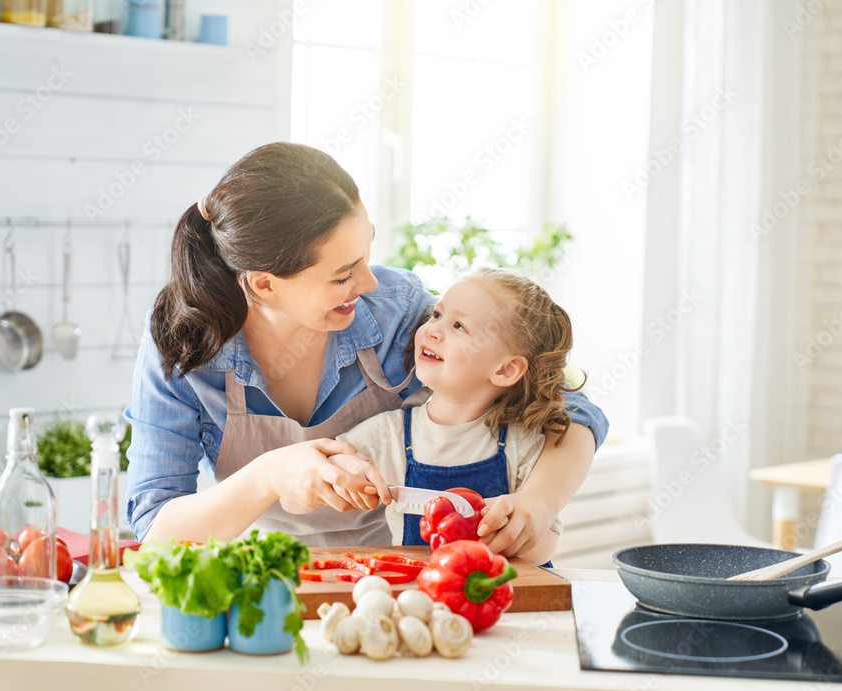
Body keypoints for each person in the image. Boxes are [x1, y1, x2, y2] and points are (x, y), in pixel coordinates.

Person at [124, 142, 608, 551]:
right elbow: (155, 535)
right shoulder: (182, 345)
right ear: (265, 285)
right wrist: (267, 476)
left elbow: (568, 407)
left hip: (392, 580)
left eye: (365, 253)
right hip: (266, 579)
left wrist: (540, 505)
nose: (369, 281)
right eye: (342, 274)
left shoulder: (397, 314)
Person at [332, 268, 575, 566]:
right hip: (418, 598)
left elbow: (546, 547)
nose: (432, 330)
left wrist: (509, 532)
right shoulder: (388, 434)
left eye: (459, 326)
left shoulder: (523, 441)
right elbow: (330, 464)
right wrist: (345, 470)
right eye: (436, 315)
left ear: (505, 370)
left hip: (509, 601)